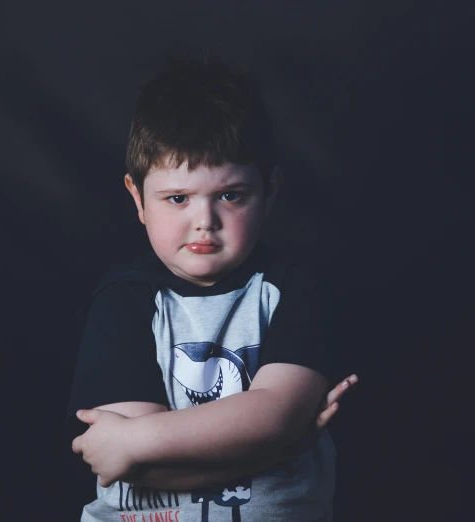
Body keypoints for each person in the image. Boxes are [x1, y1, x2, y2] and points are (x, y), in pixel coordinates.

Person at [66, 57, 358, 522]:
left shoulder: (294, 291)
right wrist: (276, 450)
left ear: (270, 191)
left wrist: (138, 439)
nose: (204, 220)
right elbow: (140, 470)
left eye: (230, 195)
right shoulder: (123, 302)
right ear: (138, 198)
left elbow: (275, 415)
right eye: (177, 198)